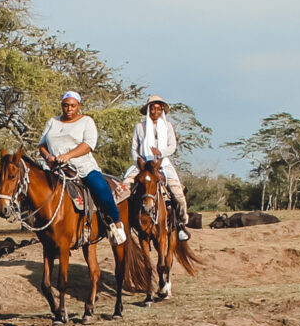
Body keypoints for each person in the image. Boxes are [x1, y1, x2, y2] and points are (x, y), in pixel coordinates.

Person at [40, 90, 124, 244]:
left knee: (101, 187)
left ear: (78, 106)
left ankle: (115, 222)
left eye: (73, 106)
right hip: (55, 168)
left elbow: (88, 145)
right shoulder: (52, 122)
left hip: (82, 167)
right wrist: (48, 157)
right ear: (62, 106)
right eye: (66, 106)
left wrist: (68, 155)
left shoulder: (86, 121)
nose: (69, 109)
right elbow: (42, 145)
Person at [123, 94, 190, 242]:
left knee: (177, 194)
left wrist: (161, 153)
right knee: (122, 190)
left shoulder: (168, 127)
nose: (155, 112)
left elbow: (172, 146)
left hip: (162, 164)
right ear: (148, 110)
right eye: (152, 109)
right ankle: (122, 224)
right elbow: (134, 148)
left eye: (158, 109)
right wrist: (139, 160)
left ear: (162, 111)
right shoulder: (139, 127)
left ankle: (181, 224)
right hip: (142, 165)